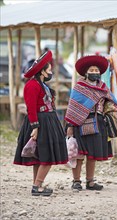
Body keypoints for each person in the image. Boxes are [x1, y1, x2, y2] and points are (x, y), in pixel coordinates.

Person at [13, 50, 68, 196]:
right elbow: (31, 108)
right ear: (43, 72)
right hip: (41, 122)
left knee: (40, 156)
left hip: (48, 120)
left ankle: (37, 184)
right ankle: (37, 186)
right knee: (47, 156)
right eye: (49, 70)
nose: (51, 72)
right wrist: (35, 127)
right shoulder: (32, 85)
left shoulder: (41, 84)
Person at [65, 55, 117, 191]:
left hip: (99, 123)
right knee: (79, 154)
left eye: (96, 70)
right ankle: (76, 181)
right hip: (80, 122)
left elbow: (112, 102)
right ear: (86, 72)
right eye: (92, 70)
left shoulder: (103, 87)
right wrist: (70, 126)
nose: (94, 72)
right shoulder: (79, 87)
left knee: (92, 155)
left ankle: (90, 182)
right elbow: (73, 108)